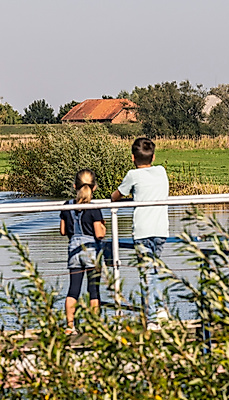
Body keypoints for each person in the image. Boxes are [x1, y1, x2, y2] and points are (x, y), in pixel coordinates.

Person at [111, 137, 170, 322]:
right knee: (155, 271)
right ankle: (159, 310)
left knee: (147, 274)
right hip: (161, 230)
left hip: (143, 231)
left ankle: (152, 317)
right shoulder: (161, 171)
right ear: (153, 158)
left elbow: (117, 195)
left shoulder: (132, 175)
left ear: (132, 158)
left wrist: (113, 197)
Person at [60, 169, 106, 325]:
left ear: (74, 186)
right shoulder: (93, 208)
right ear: (94, 188)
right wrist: (104, 227)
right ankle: (94, 325)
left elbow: (63, 231)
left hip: (73, 250)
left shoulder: (67, 206)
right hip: (91, 250)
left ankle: (70, 325)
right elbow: (99, 234)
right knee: (93, 290)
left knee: (73, 289)